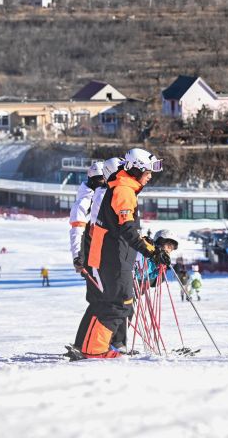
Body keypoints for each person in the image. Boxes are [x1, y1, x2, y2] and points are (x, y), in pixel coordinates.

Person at [72, 148, 166, 359]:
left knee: (113, 302)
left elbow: (125, 228)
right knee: (118, 303)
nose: (150, 177)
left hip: (113, 255)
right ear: (136, 170)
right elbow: (127, 229)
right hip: (113, 257)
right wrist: (151, 252)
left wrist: (150, 247)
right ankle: (95, 350)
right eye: (148, 172)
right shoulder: (124, 190)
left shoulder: (123, 186)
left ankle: (89, 347)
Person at [68, 161, 107, 273]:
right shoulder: (84, 203)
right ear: (93, 180)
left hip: (108, 254)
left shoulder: (104, 196)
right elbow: (77, 231)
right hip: (92, 259)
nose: (104, 182)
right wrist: (78, 257)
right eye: (101, 179)